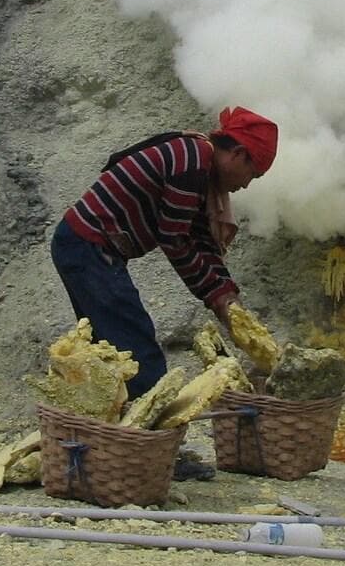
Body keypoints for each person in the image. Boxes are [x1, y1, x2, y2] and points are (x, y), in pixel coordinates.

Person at [51, 107, 278, 399]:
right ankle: (143, 434)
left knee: (107, 355)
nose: (246, 185)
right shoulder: (192, 165)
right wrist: (217, 300)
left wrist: (226, 293)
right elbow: (174, 240)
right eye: (253, 174)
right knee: (140, 358)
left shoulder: (200, 165)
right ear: (238, 154)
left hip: (83, 246)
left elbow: (198, 237)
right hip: (89, 247)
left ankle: (108, 430)